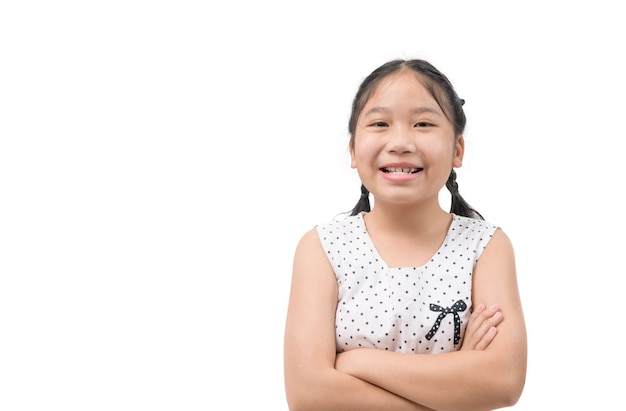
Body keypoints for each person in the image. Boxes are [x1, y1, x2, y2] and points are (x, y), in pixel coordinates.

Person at [283, 58, 527, 411]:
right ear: (353, 150)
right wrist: (456, 385)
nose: (400, 142)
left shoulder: (486, 246)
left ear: (458, 149)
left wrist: (358, 362)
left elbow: (503, 380)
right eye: (380, 123)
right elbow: (307, 394)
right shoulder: (322, 247)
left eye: (423, 123)